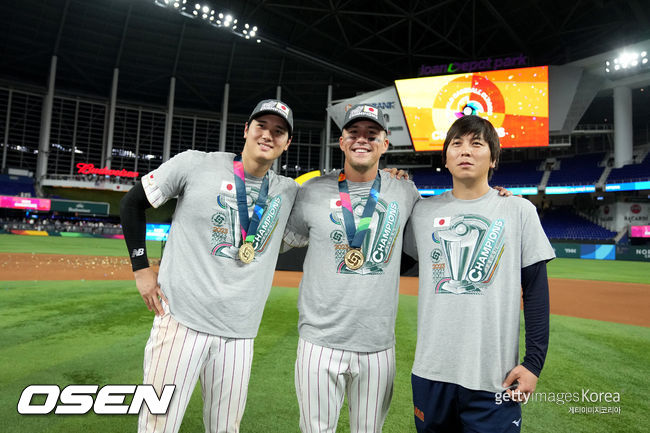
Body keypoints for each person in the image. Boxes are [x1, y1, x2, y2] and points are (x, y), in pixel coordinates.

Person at [119, 99, 299, 433]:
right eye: (261, 126)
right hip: (180, 321)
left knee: (225, 428)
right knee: (157, 425)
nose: (268, 136)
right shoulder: (195, 165)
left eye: (278, 131)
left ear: (287, 143)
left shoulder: (287, 193)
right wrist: (141, 269)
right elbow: (132, 203)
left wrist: (386, 180)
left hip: (239, 334)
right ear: (246, 130)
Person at [403, 115, 555, 432]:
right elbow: (393, 267)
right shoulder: (422, 212)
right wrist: (392, 179)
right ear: (445, 158)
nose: (465, 151)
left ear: (493, 158)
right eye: (456, 144)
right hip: (431, 374)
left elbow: (537, 293)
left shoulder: (518, 210)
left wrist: (533, 364)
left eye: (476, 144)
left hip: (495, 380)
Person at [283, 104, 422, 432]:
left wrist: (493, 191)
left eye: (372, 135)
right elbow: (279, 240)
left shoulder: (405, 190)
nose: (362, 140)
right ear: (341, 141)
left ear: (385, 144)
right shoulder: (312, 191)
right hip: (319, 342)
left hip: (377, 345)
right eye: (354, 134)